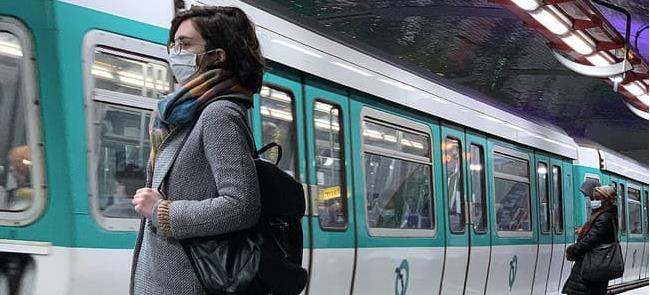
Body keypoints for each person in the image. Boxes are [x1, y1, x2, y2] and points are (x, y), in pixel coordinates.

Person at [129, 6, 265, 295]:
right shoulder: (179, 114)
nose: (176, 52)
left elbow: (242, 206)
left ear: (217, 55)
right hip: (163, 279)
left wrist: (162, 212)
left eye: (186, 44)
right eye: (174, 43)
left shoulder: (219, 114)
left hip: (190, 283)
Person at [562, 185, 618, 295]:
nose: (594, 201)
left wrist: (572, 250)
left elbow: (591, 240)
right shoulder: (603, 215)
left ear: (606, 201)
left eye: (597, 199)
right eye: (593, 198)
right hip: (593, 266)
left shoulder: (604, 217)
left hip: (591, 266)